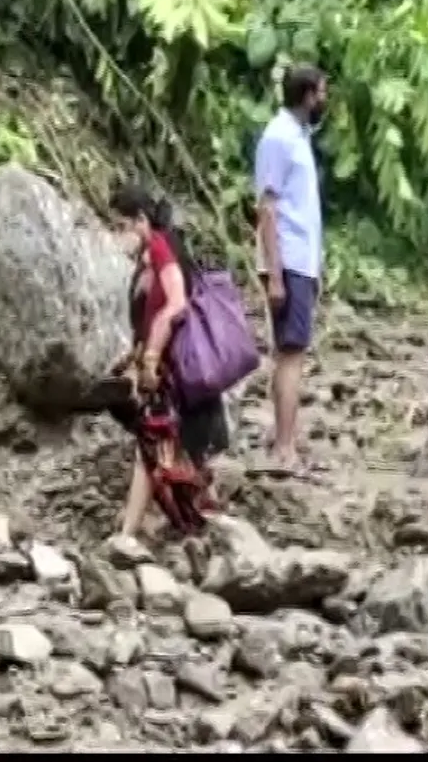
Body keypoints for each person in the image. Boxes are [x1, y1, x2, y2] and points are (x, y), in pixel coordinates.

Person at [107, 184, 229, 546]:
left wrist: (150, 357)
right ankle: (204, 519)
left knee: (150, 449)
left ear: (140, 220)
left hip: (172, 366)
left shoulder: (161, 248)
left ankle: (129, 534)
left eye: (121, 227)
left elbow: (175, 304)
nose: (118, 236)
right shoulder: (158, 251)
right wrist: (135, 354)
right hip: (172, 364)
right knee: (178, 446)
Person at [254, 64, 326, 471]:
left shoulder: (298, 136)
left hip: (301, 260)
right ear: (309, 95)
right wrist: (276, 275)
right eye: (322, 92)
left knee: (288, 352)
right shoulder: (279, 137)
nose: (325, 100)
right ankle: (284, 447)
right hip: (289, 260)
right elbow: (267, 207)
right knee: (292, 354)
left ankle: (282, 438)